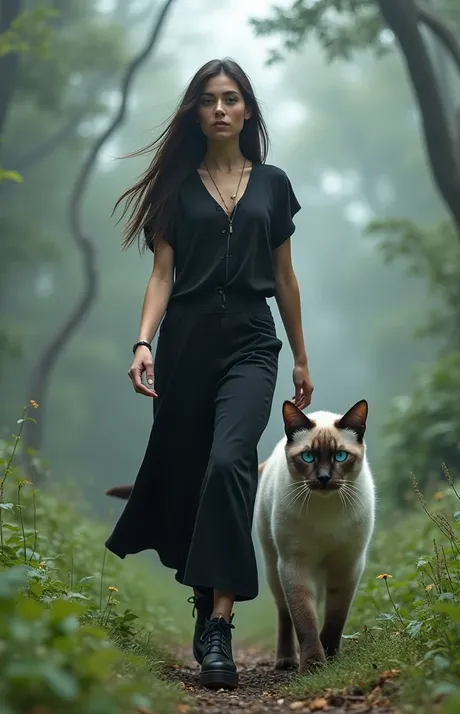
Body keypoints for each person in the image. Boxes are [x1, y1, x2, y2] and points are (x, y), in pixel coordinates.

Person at [104, 57, 313, 691]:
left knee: (230, 462)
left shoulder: (273, 184)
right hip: (186, 345)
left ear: (248, 110)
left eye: (231, 98)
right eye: (208, 99)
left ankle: (218, 624)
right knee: (198, 474)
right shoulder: (176, 187)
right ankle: (205, 598)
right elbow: (162, 274)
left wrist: (301, 355)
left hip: (253, 342)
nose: (219, 109)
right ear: (195, 112)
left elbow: (283, 277)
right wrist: (143, 342)